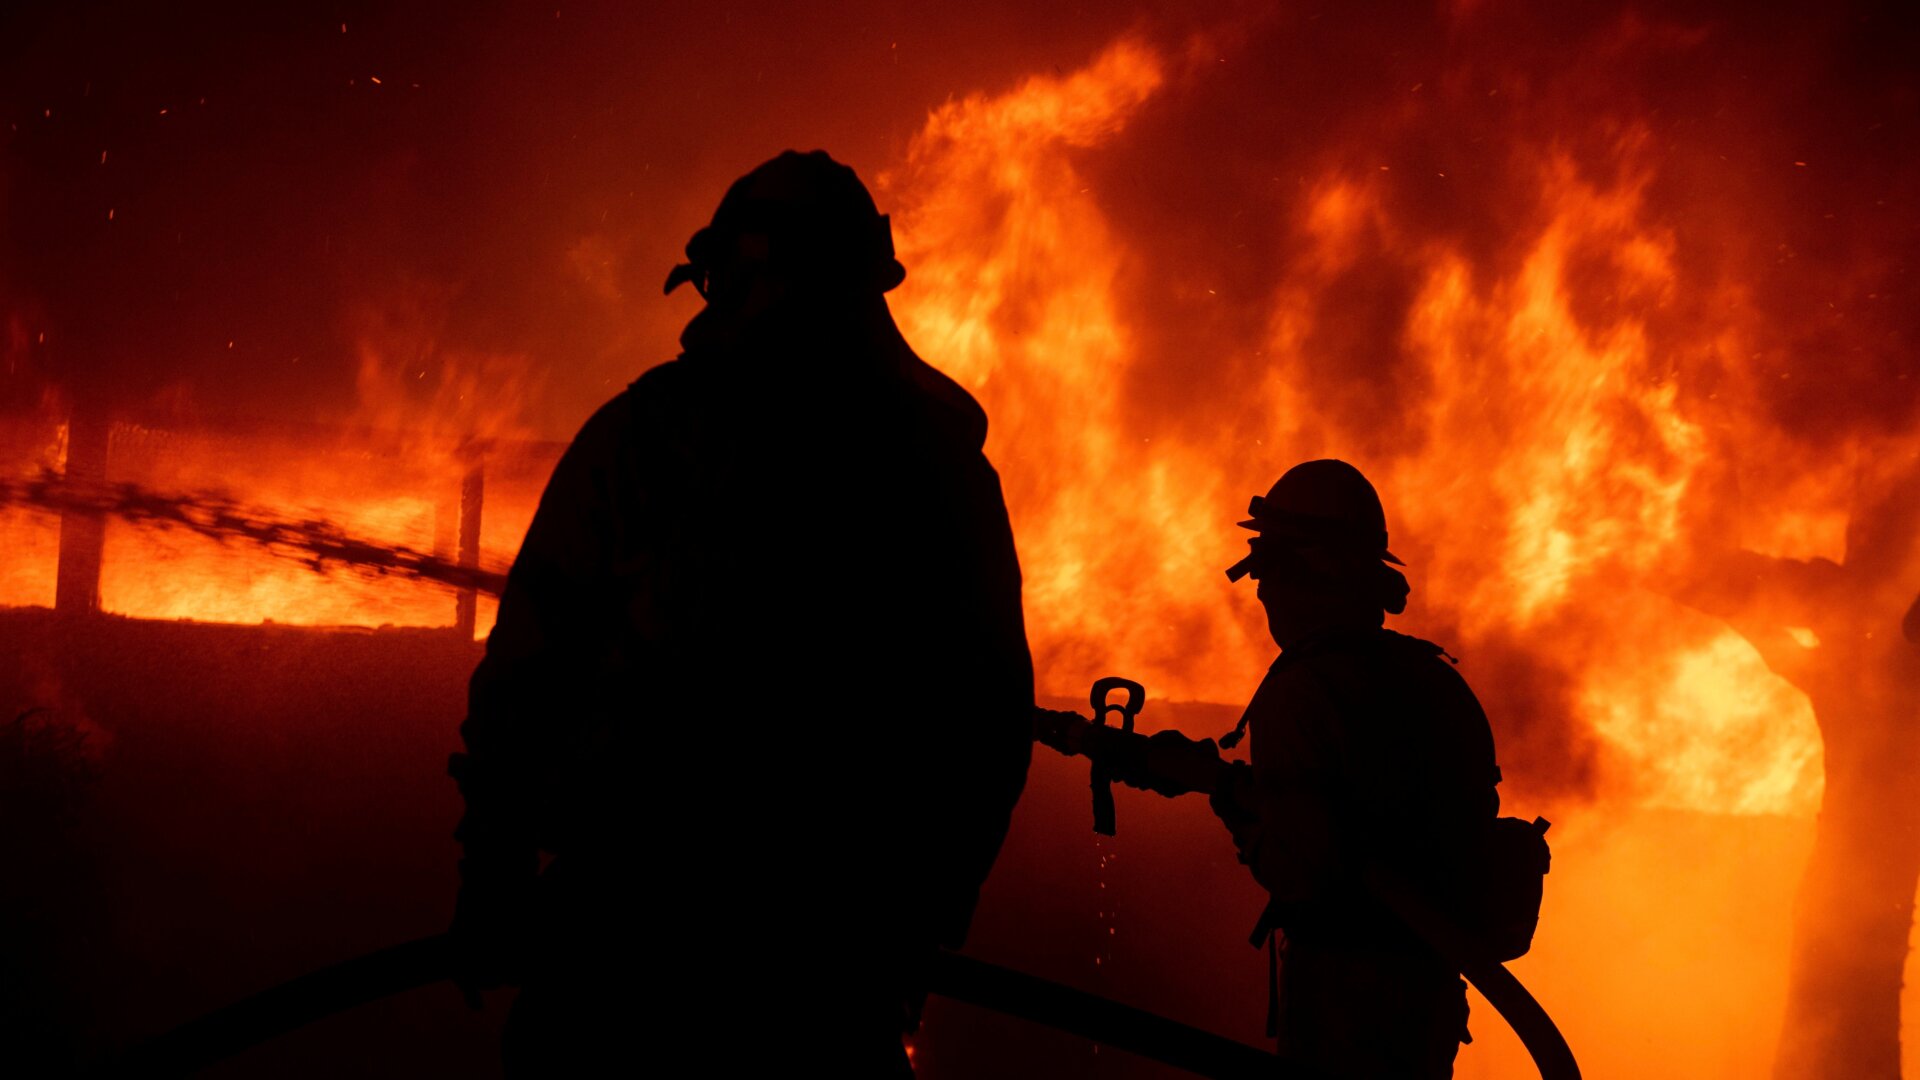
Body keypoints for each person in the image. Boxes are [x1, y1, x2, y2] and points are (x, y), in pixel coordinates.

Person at [449, 150, 1035, 1076]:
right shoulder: (938, 471)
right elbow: (986, 728)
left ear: (745, 272)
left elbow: (528, 670)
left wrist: (493, 879)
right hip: (823, 977)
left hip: (623, 960)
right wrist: (916, 926)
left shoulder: (645, 437)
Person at [1209, 459, 1499, 1079]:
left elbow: (1302, 873)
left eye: (1273, 569)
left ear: (1317, 574)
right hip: (1428, 1003)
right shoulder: (1439, 686)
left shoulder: (1304, 693)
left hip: (1341, 1007)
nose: (1262, 590)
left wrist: (1247, 822)